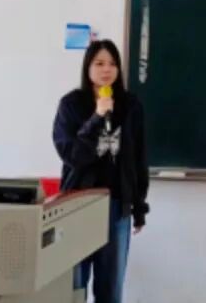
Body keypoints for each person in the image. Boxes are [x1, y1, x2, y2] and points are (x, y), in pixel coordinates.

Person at [52, 39, 149, 303]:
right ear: (88, 67)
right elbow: (73, 156)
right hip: (77, 206)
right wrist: (96, 117)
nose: (107, 69)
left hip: (116, 207)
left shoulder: (130, 106)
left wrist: (139, 207)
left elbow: (138, 159)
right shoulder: (70, 105)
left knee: (110, 291)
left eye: (113, 64)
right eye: (99, 63)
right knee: (74, 287)